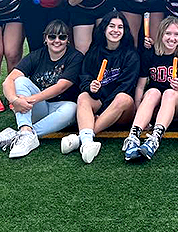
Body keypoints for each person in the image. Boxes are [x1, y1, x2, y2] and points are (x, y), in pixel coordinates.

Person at [0, 20, 83, 158]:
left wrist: (29, 100)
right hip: (36, 107)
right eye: (52, 36)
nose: (57, 41)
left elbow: (62, 86)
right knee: (20, 81)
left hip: (58, 107)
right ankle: (25, 129)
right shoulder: (36, 55)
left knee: (73, 108)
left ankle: (21, 134)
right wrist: (14, 100)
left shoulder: (75, 57)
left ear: (68, 40)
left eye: (62, 37)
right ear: (45, 39)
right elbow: (8, 81)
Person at [60, 11, 139, 164]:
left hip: (120, 110)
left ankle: (81, 138)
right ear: (104, 29)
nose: (116, 30)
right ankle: (88, 143)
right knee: (83, 96)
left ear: (125, 31)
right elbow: (84, 77)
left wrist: (103, 111)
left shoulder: (131, 55)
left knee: (123, 98)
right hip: (100, 102)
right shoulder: (94, 51)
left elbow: (125, 87)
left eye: (120, 27)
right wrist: (90, 86)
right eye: (111, 26)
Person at [123, 16, 178, 161]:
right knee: (152, 91)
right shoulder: (150, 54)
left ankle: (154, 138)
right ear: (161, 34)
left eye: (176, 34)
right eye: (168, 33)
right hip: (155, 106)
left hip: (177, 106)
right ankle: (133, 137)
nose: (172, 38)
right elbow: (140, 86)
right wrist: (138, 107)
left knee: (169, 93)